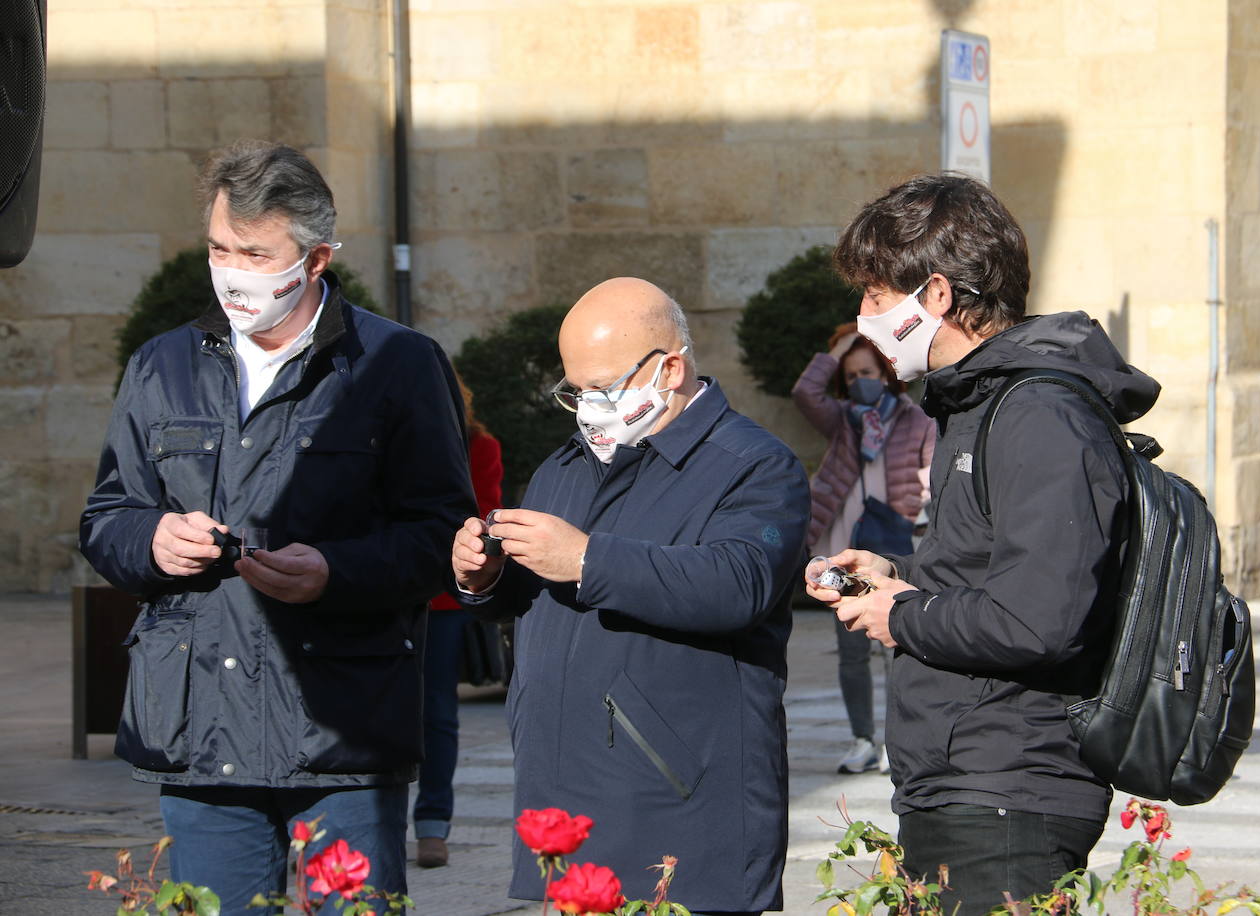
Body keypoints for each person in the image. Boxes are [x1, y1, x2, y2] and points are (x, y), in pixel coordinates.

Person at [79, 141, 474, 911]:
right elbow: (107, 518)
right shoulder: (163, 364)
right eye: (219, 248)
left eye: (256, 254)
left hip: (340, 733)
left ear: (317, 257)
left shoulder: (397, 364)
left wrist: (337, 570)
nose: (233, 271)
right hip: (201, 736)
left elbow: (443, 538)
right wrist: (150, 542)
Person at [805, 174, 1160, 915]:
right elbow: (988, 572)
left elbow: (1040, 618)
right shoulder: (979, 403)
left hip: (1008, 791)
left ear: (935, 295)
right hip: (962, 780)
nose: (862, 318)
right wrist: (894, 576)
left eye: (874, 296)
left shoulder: (1038, 411)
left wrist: (901, 616)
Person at [451, 277, 809, 916]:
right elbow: (539, 590)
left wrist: (585, 558)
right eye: (575, 391)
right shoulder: (565, 464)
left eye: (604, 388)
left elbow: (738, 583)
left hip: (680, 804)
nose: (589, 408)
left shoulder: (754, 463)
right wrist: (485, 577)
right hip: (566, 798)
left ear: (669, 369)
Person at [792, 321, 935, 774]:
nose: (860, 383)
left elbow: (931, 478)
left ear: (887, 372)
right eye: (852, 376)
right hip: (844, 548)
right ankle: (861, 740)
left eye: (868, 371)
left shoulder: (916, 419)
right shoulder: (842, 420)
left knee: (899, 649)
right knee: (851, 650)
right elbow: (805, 393)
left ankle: (899, 740)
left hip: (895, 545)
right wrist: (838, 351)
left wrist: (917, 509)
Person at [415, 369, 504, 869]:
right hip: (378, 590)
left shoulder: (478, 446)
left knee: (437, 714)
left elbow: (485, 512)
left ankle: (432, 824)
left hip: (441, 599)